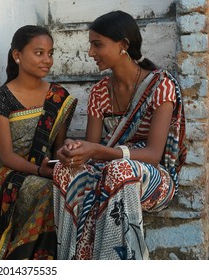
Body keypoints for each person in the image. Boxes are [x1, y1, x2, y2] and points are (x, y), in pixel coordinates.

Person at [52, 10, 187, 260]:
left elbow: (153, 155)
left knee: (120, 170)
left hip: (154, 179)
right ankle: (73, 260)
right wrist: (75, 150)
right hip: (108, 170)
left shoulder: (160, 85)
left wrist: (100, 151)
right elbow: (92, 151)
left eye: (97, 44)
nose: (91, 52)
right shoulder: (100, 92)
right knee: (64, 170)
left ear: (123, 45)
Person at [0, 25, 77, 260]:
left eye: (50, 53)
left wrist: (67, 151)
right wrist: (41, 170)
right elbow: (7, 155)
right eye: (39, 53)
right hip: (8, 173)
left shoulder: (59, 96)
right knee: (47, 190)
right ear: (17, 55)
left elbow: (56, 149)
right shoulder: (2, 98)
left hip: (43, 167)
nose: (47, 60)